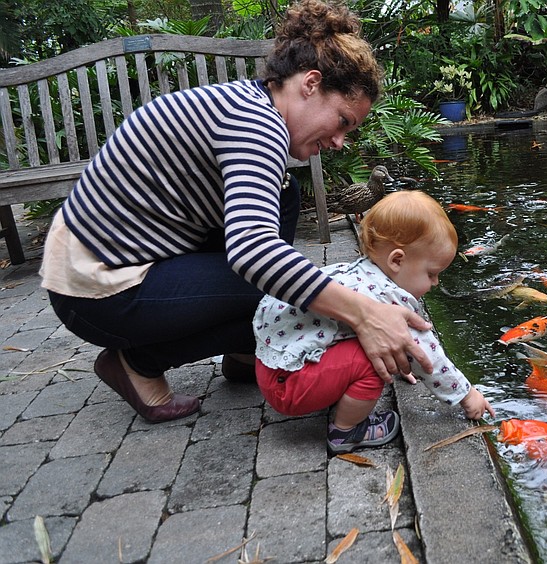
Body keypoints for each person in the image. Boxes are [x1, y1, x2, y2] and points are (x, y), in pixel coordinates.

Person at [38, 0, 434, 423]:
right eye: (342, 121)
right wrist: (366, 313)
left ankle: (247, 351)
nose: (339, 141)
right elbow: (253, 253)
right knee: (273, 291)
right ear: (310, 83)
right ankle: (138, 362)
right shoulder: (255, 124)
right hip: (97, 289)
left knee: (285, 196)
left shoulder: (252, 106)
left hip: (130, 257)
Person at [253, 190, 495, 453]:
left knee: (374, 342)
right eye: (432, 273)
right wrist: (466, 395)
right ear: (397, 260)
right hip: (289, 388)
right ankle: (346, 431)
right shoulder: (389, 299)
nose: (436, 283)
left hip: (269, 366)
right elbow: (428, 357)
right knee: (373, 360)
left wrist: (404, 364)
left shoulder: (355, 273)